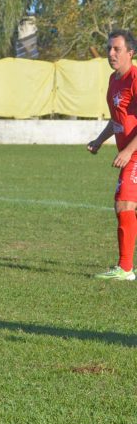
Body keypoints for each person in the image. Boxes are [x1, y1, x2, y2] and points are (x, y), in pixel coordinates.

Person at [88, 30, 137, 280]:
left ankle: (126, 269)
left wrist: (129, 150)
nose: (110, 53)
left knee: (124, 204)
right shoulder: (113, 79)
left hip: (136, 154)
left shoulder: (135, 77)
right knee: (127, 206)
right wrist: (99, 140)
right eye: (108, 48)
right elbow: (118, 119)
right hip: (130, 152)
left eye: (116, 49)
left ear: (131, 52)